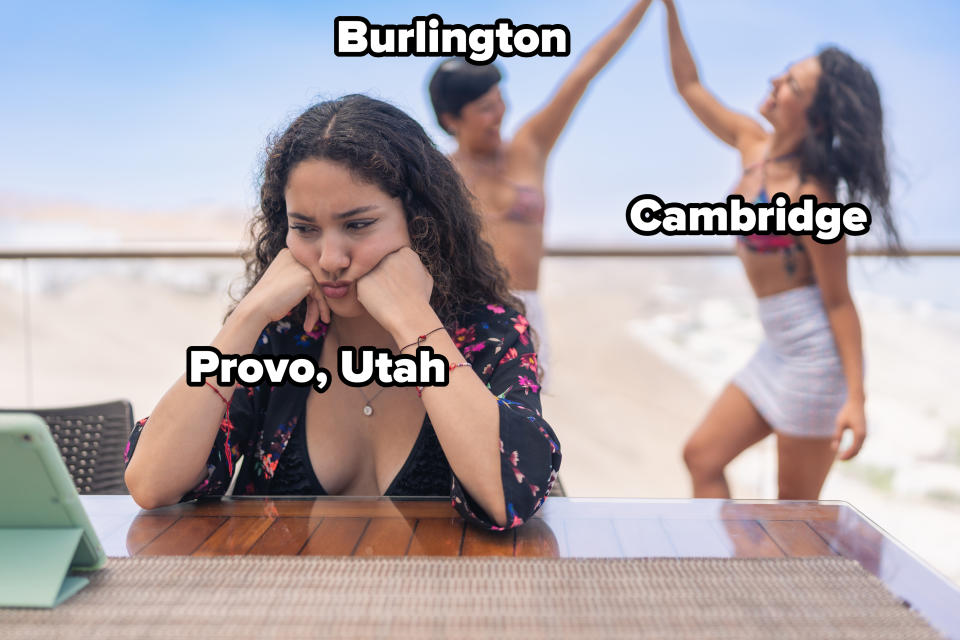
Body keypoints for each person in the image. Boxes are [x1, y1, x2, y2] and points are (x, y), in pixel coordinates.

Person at [123, 95, 561, 530]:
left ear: (421, 222)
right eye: (305, 229)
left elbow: (511, 493)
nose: (330, 258)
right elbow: (151, 483)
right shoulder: (279, 339)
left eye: (358, 225)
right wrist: (248, 316)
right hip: (284, 597)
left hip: (439, 598)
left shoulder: (487, 331)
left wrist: (414, 320)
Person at [659, 0, 902, 499]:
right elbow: (689, 85)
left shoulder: (814, 198)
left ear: (814, 118)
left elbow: (838, 301)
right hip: (775, 348)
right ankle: (732, 572)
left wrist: (855, 398)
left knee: (794, 516)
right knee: (701, 456)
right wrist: (668, 7)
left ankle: (778, 578)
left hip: (814, 360)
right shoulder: (752, 143)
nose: (774, 82)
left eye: (790, 83)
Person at [427, 0, 654, 384]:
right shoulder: (440, 174)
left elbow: (585, 71)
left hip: (526, 314)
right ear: (451, 120)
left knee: (524, 435)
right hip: (465, 317)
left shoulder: (528, 147)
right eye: (485, 108)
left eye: (500, 102)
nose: (500, 114)